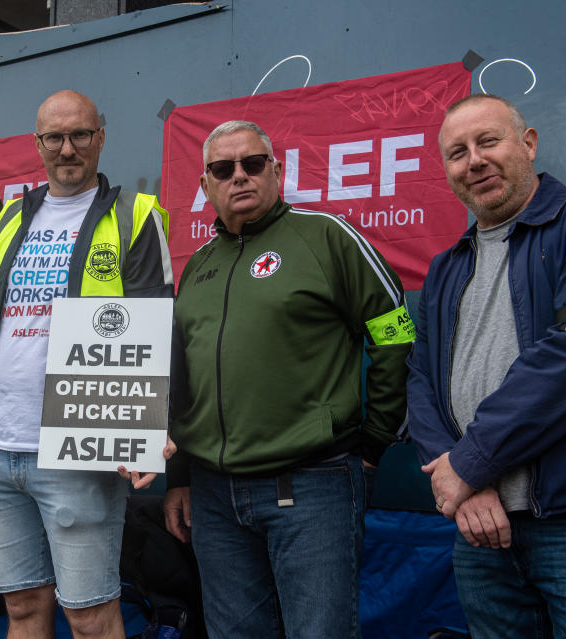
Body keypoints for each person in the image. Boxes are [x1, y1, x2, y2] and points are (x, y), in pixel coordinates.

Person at [164, 120, 413, 638]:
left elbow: (393, 333)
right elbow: (184, 381)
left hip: (312, 484)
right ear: (205, 184)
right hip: (214, 496)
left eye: (252, 164)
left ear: (275, 171)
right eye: (222, 169)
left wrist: (375, 441)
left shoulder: (326, 237)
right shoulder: (199, 265)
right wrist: (181, 476)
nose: (240, 177)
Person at [0, 89, 173, 639]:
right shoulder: (9, 218)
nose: (67, 148)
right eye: (54, 137)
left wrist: (145, 432)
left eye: (80, 135)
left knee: (89, 616)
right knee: (25, 610)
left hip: (78, 452)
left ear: (100, 138)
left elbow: (156, 327)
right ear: (38, 143)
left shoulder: (134, 215)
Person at [408, 94, 566, 637]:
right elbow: (420, 381)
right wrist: (464, 484)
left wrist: (470, 464)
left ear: (528, 143)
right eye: (457, 152)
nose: (473, 161)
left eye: (488, 141)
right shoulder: (446, 266)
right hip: (478, 524)